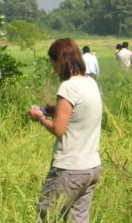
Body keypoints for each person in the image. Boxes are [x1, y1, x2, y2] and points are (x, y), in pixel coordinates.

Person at [29, 38, 103, 223]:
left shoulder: (68, 86)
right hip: (91, 168)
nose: (53, 68)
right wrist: (53, 109)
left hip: (69, 169)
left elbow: (58, 129)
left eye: (53, 63)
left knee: (46, 216)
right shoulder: (90, 83)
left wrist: (40, 117)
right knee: (77, 219)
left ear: (60, 61)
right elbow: (80, 111)